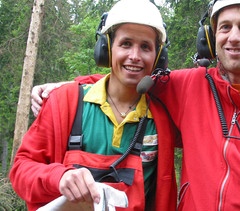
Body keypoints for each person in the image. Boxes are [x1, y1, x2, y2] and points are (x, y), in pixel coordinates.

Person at [30, 0, 240, 210]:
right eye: (225, 26)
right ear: (210, 35)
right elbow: (130, 76)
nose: (234, 37)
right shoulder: (188, 86)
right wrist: (71, 88)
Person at [9, 0, 178, 210]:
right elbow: (21, 170)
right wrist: (59, 177)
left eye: (145, 47)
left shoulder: (163, 117)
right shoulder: (65, 103)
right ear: (106, 48)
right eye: (126, 43)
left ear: (158, 57)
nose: (134, 56)